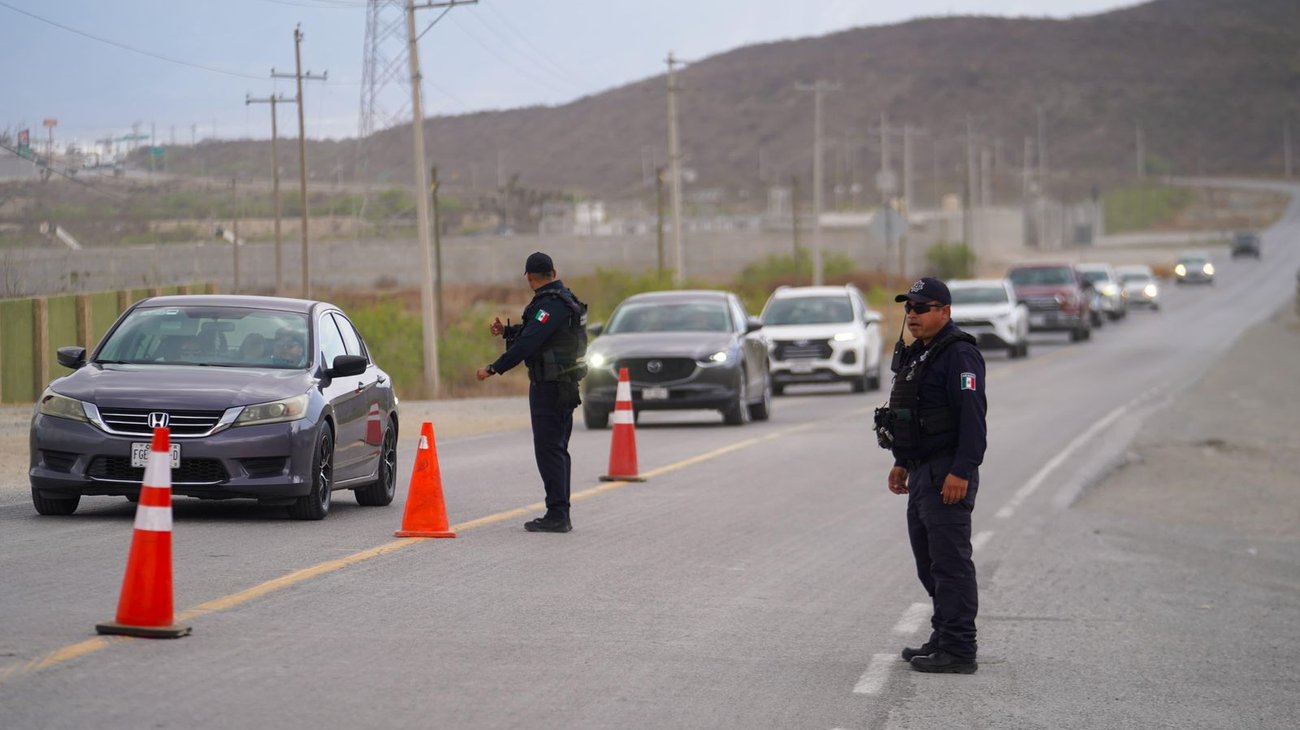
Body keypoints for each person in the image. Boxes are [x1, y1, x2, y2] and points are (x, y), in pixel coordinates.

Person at [874, 276, 987, 674]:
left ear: (945, 311)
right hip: (922, 471)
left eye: (921, 308)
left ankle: (959, 649)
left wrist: (962, 469)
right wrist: (901, 460)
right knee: (929, 562)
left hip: (947, 473)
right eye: (909, 307)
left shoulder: (959, 355)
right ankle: (943, 635)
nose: (912, 314)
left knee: (950, 563)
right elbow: (911, 415)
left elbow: (973, 418)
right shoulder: (921, 353)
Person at [476, 252, 588, 533]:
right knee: (557, 449)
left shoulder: (550, 304)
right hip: (562, 384)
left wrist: (494, 368)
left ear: (529, 277)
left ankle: (558, 515)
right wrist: (508, 332)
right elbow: (538, 333)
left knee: (550, 449)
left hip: (550, 387)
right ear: (553, 271)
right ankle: (560, 511)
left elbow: (530, 342)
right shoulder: (563, 299)